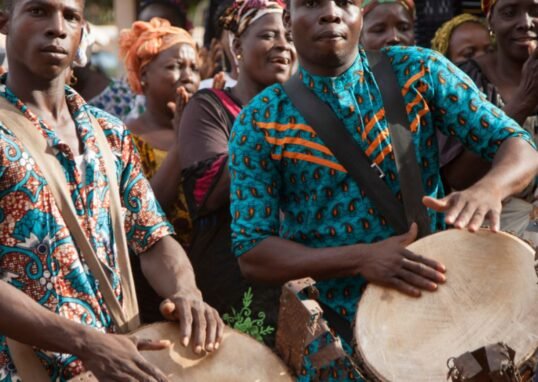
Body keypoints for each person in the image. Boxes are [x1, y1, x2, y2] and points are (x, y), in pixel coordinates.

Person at [228, 0, 538, 379]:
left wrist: (489, 188)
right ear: (289, 20)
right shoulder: (260, 121)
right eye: (312, 4)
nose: (331, 13)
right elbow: (253, 253)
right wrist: (362, 258)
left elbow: (517, 144)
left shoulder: (419, 70)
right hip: (338, 338)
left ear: (358, 14)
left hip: (454, 317)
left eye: (344, 3)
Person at [0, 1, 223, 380]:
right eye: (38, 11)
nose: (57, 27)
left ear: (83, 29)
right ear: (4, 21)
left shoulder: (109, 132)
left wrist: (187, 292)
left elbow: (152, 237)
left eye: (70, 16)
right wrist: (84, 342)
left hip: (119, 364)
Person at [161, 0, 295, 345]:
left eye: (289, 36)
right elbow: (206, 192)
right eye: (268, 35)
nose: (282, 44)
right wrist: (274, 128)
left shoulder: (308, 110)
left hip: (301, 277)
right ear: (236, 47)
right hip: (234, 285)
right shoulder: (210, 107)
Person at [439, 0, 538, 245]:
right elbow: (459, 177)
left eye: (536, 11)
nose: (525, 23)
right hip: (492, 241)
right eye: (509, 12)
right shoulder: (464, 81)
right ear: (490, 20)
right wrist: (523, 100)